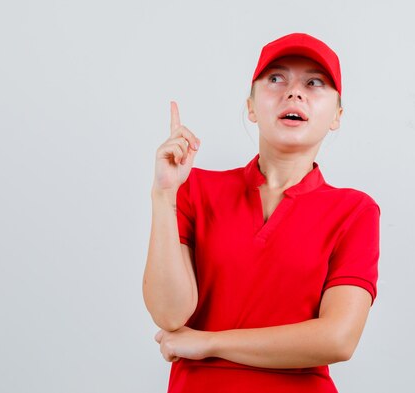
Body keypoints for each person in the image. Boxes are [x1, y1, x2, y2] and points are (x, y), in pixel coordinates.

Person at [143, 33, 380, 393]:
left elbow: (338, 339)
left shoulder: (354, 211)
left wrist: (210, 343)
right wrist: (163, 195)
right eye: (276, 79)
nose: (294, 92)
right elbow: (170, 314)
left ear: (337, 116)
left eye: (314, 83)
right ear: (251, 107)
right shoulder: (194, 189)